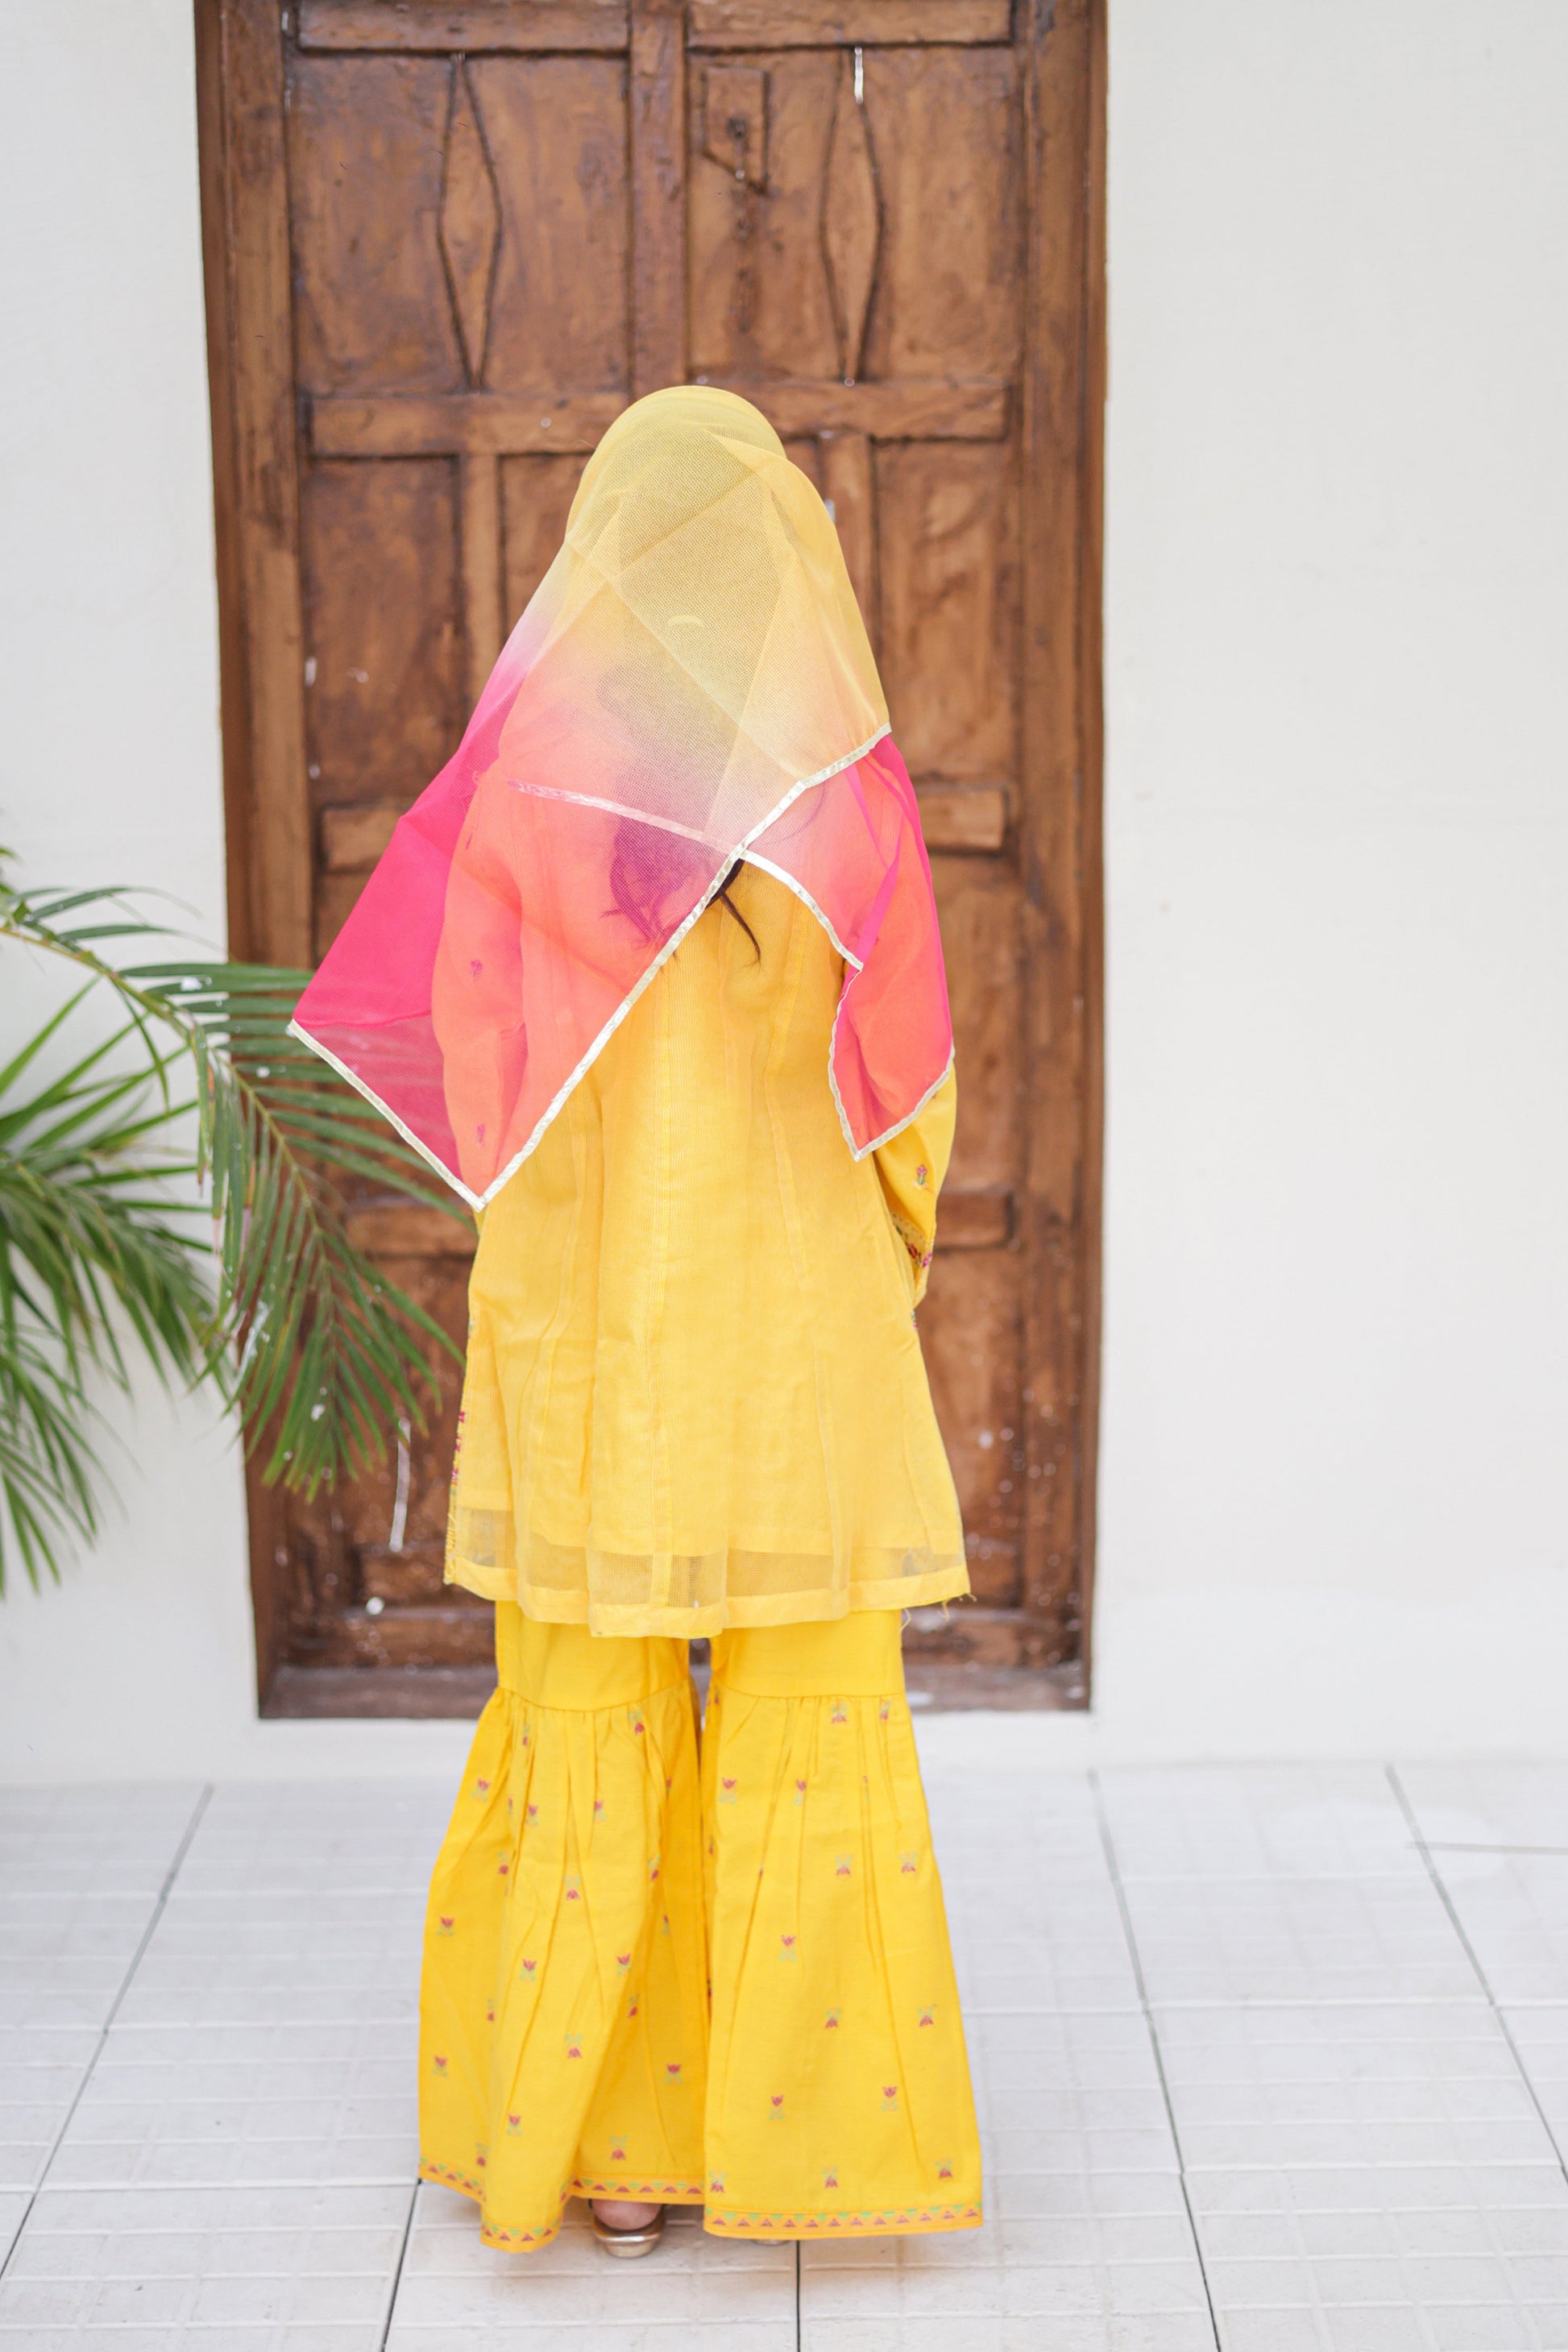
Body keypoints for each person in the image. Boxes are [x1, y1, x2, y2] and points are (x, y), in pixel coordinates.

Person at [292, 385, 982, 2255]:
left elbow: (471, 1070)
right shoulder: (841, 796)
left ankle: (602, 2154)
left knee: (583, 1696)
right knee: (805, 1702)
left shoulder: (522, 795)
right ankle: (808, 2148)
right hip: (793, 1336)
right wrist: (880, 1256)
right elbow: (910, 1090)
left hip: (589, 1336)